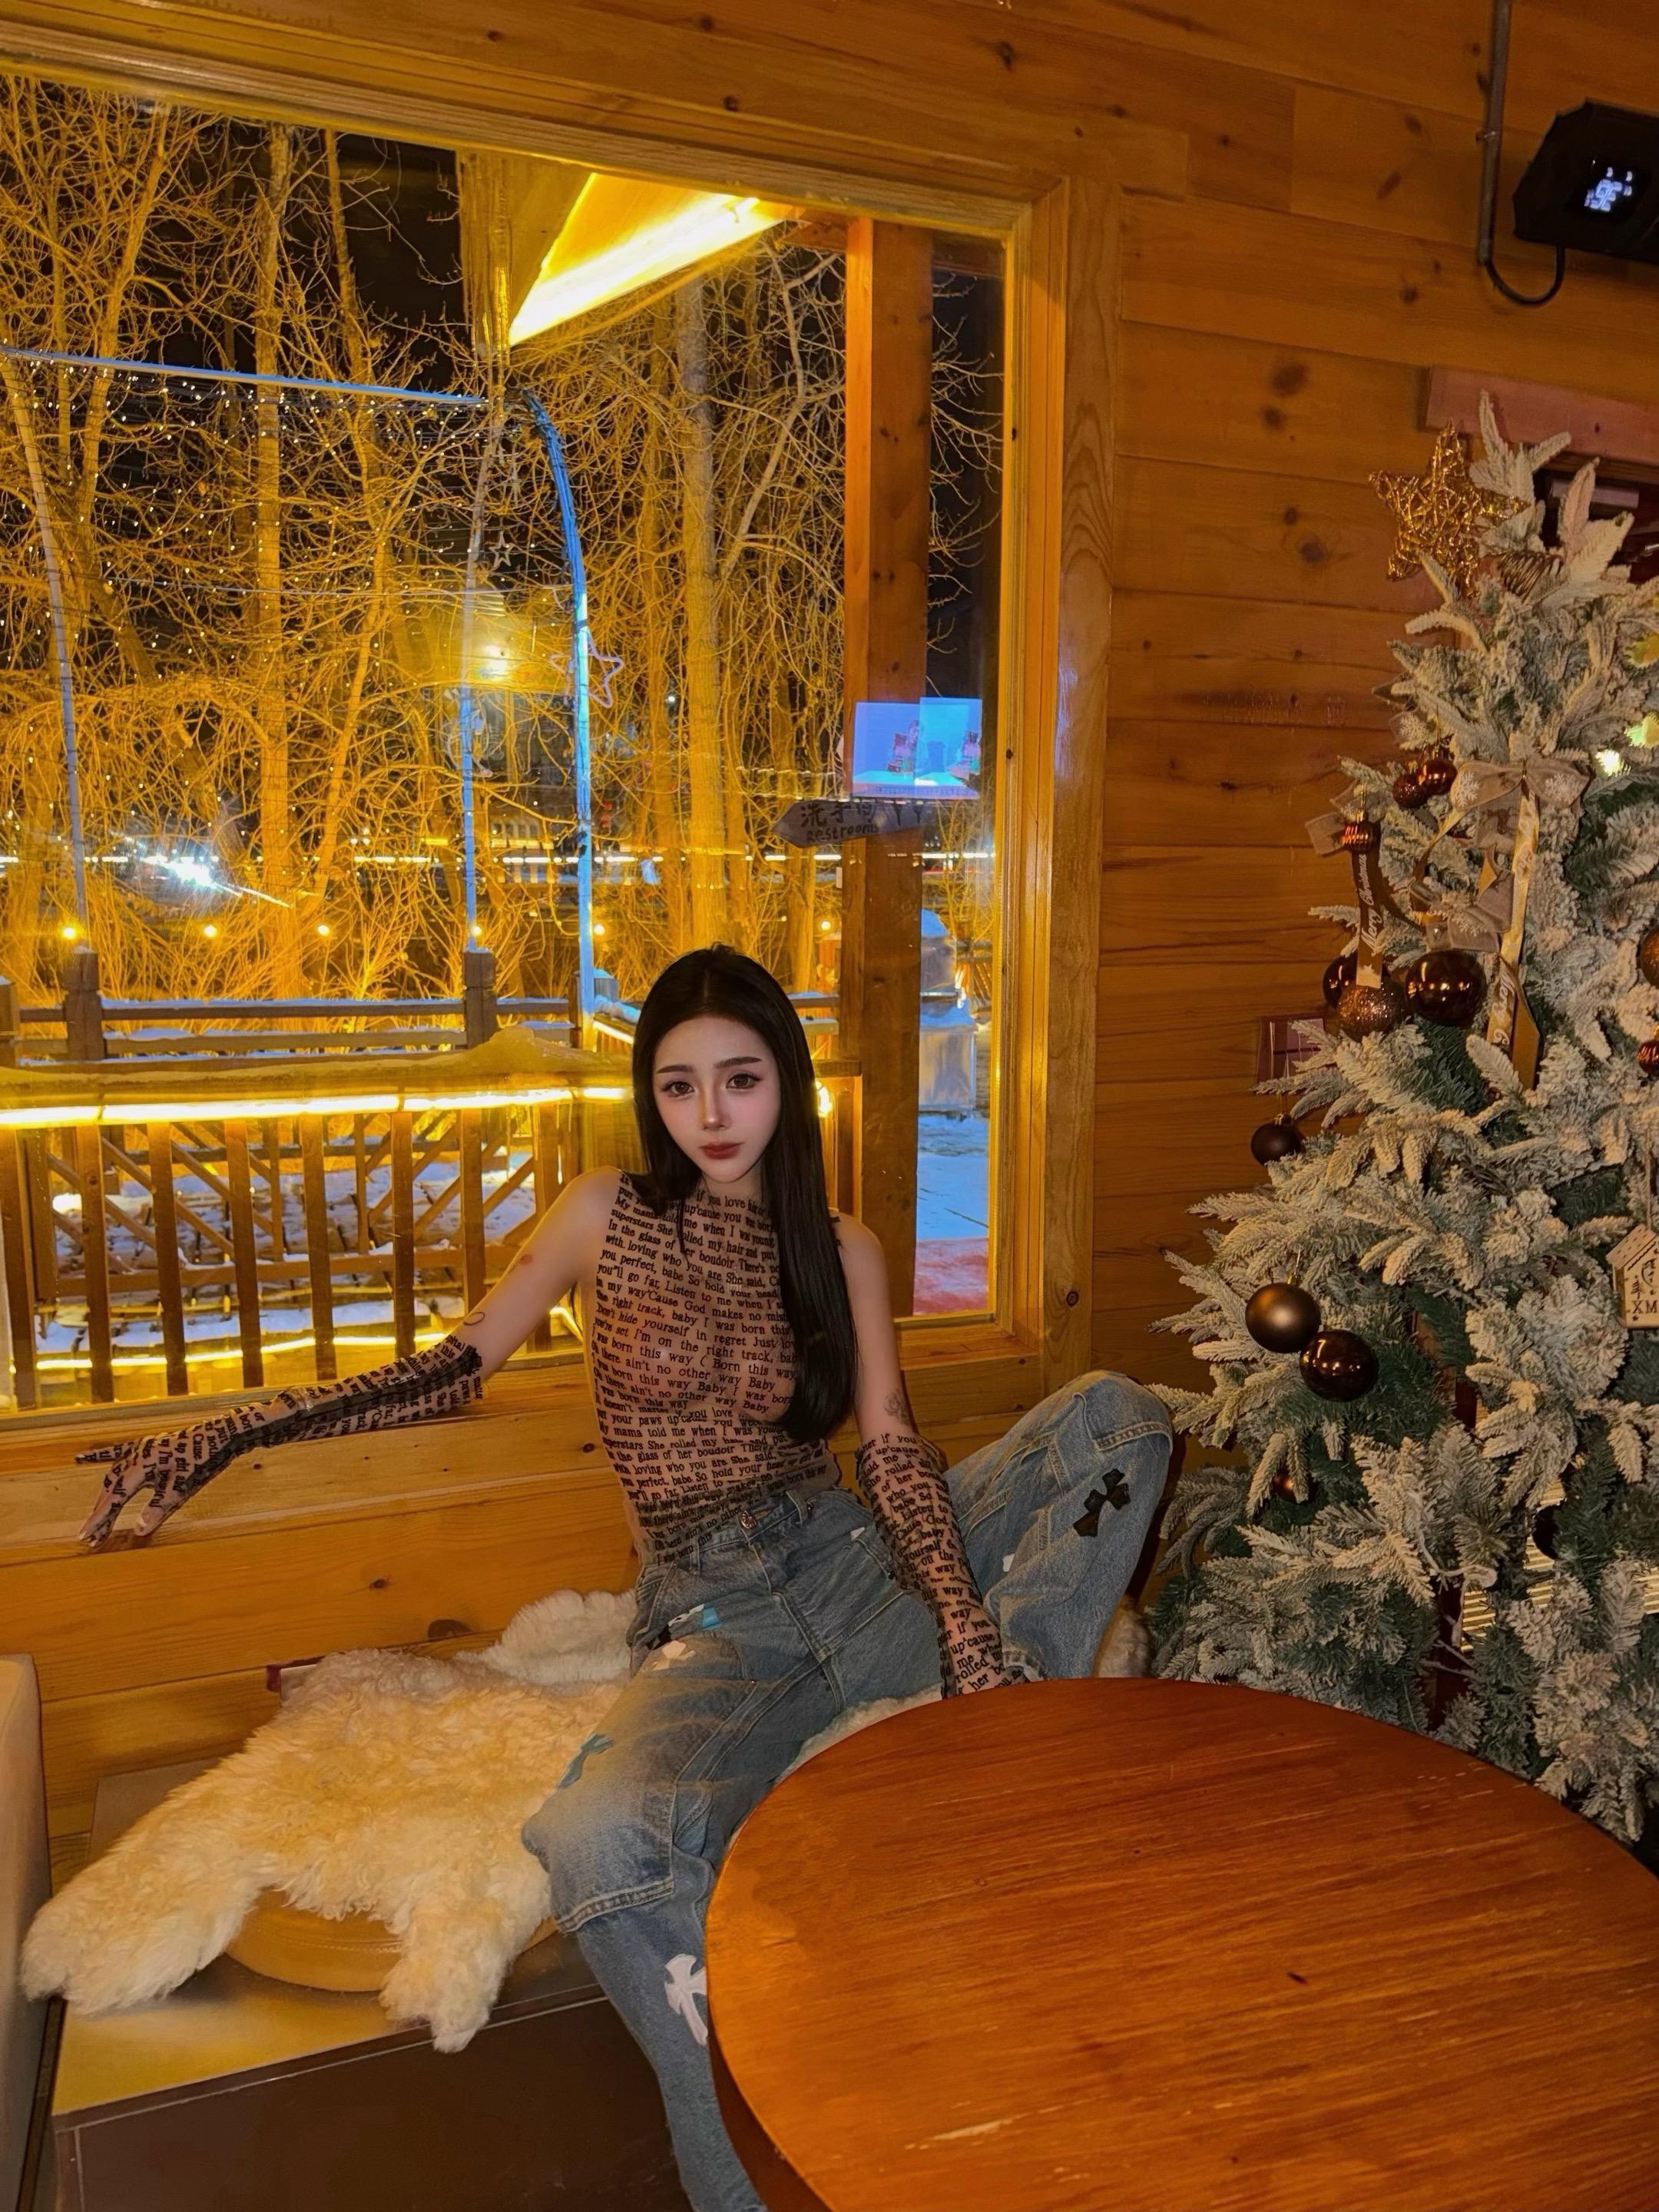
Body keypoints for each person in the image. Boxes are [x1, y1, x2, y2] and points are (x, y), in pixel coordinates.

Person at [78, 945, 1171, 2212]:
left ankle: (1017, 1695)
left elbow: (889, 1448)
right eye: (678, 1084)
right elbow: (453, 1366)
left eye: (741, 1079)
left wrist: (968, 1636)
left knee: (1121, 1417)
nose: (711, 1114)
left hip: (857, 1567)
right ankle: (752, 2181)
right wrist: (233, 1429)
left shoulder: (840, 1246)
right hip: (716, 1616)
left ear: (788, 1083)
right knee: (600, 1835)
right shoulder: (608, 1214)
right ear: (649, 1095)